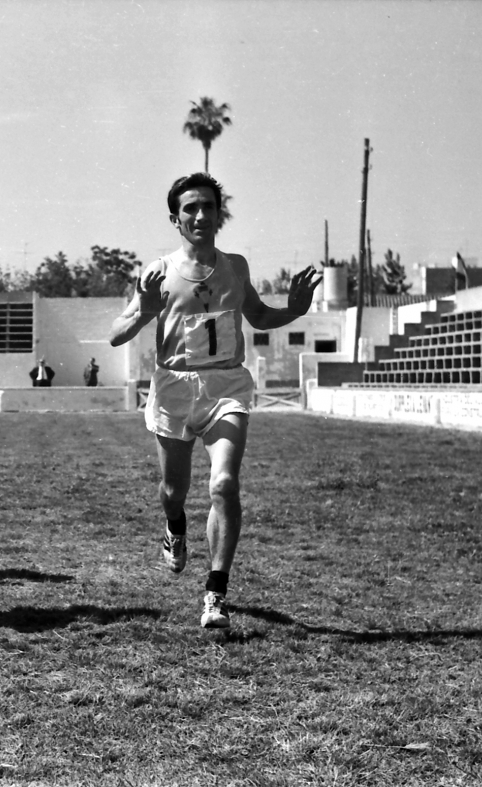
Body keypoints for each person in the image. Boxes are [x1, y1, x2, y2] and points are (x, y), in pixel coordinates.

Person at [109, 172, 321, 629]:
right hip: (174, 389)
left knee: (224, 485)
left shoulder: (237, 266)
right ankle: (175, 529)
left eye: (208, 205)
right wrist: (147, 307)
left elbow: (260, 315)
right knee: (173, 493)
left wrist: (296, 310)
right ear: (175, 218)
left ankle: (216, 594)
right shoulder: (158, 272)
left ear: (219, 212)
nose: (201, 214)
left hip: (226, 386)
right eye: (191, 208)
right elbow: (115, 334)